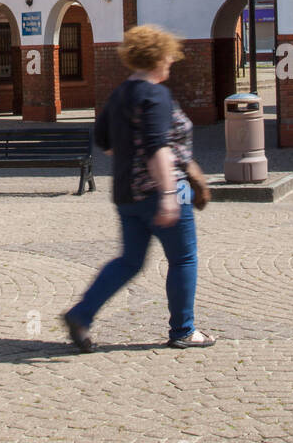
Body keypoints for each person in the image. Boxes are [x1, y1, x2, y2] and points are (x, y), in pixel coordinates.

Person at [63, 23, 215, 351]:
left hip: (126, 194)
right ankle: (183, 330)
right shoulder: (155, 94)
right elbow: (157, 146)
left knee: (129, 261)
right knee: (184, 258)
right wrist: (169, 194)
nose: (172, 62)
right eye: (169, 57)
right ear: (157, 58)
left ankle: (81, 314)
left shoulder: (119, 94)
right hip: (162, 191)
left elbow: (104, 142)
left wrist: (134, 159)